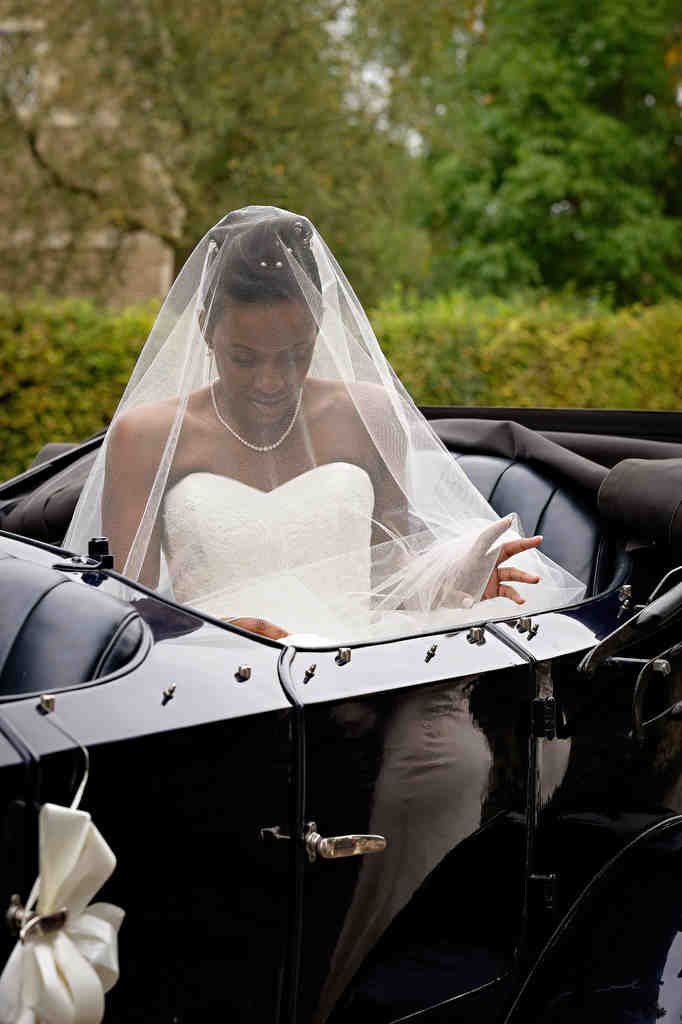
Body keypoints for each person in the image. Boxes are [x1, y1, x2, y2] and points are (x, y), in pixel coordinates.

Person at [65, 206, 584, 643]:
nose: (271, 381)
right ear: (205, 328)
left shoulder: (367, 414)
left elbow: (394, 570)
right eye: (245, 358)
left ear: (319, 328)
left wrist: (454, 578)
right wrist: (212, 634)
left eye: (295, 355)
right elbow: (126, 609)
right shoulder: (147, 437)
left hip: (359, 655)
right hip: (217, 673)